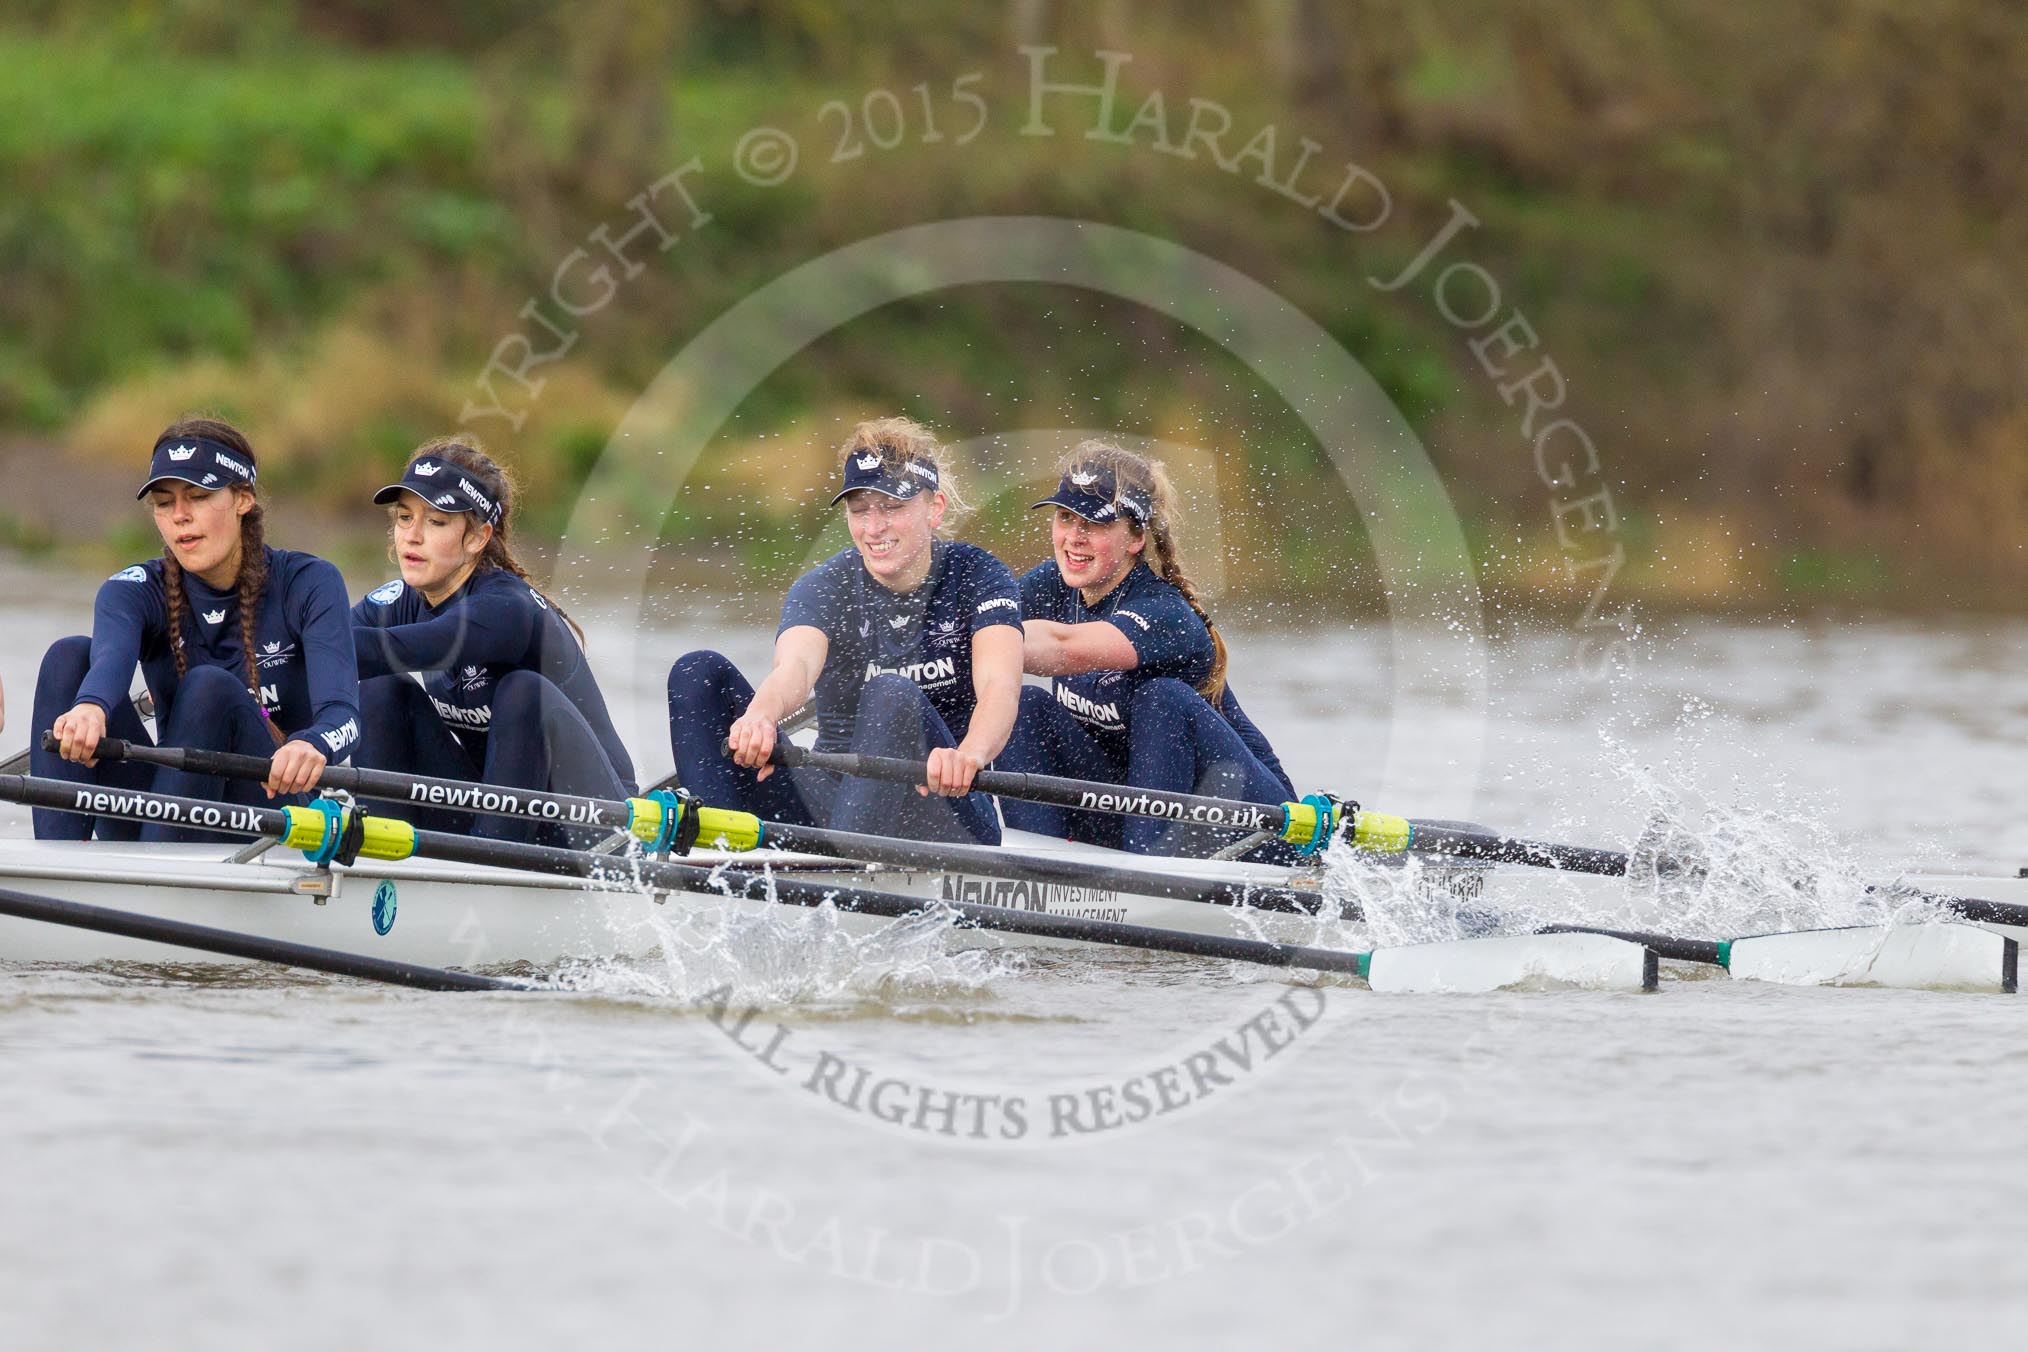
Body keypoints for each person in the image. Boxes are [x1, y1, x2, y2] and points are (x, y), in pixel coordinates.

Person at [667, 417, 1022, 844]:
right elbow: (794, 669)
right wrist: (760, 717)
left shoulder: (979, 575)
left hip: (944, 801)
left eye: (892, 508)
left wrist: (970, 755)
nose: (874, 528)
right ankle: (717, 857)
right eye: (860, 510)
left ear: (935, 508)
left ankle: (844, 881)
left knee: (891, 692)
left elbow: (1000, 689)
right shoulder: (825, 586)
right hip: (835, 801)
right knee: (697, 671)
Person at [34, 417, 360, 841]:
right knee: (68, 657)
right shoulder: (133, 590)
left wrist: (312, 744)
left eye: (199, 496)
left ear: (243, 499)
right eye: (164, 503)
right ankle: (60, 869)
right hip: (170, 804)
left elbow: (344, 716)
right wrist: (89, 709)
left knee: (210, 687)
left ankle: (157, 876)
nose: (180, 517)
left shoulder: (309, 582)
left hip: (271, 810)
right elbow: (109, 661)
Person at [998, 440, 1295, 858]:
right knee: (1024, 705)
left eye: (1096, 524)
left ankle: (1147, 871)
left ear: (1136, 537)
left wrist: (984, 640)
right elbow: (970, 625)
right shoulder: (1054, 584)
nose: (1074, 538)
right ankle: (1038, 861)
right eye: (1065, 518)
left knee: (1162, 699)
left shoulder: (1165, 612)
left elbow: (1062, 649)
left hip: (1252, 825)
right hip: (1134, 810)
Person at [350, 438, 637, 844]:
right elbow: (322, 655)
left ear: (477, 538)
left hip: (589, 821)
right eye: (403, 518)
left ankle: (488, 865)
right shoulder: (398, 601)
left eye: (435, 522)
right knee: (379, 691)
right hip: (497, 805)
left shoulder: (506, 607)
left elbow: (403, 647)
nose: (411, 537)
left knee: (522, 692)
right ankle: (382, 857)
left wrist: (308, 640)